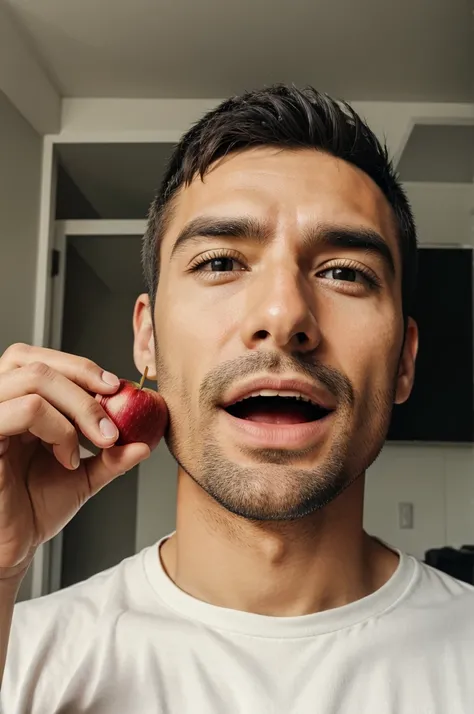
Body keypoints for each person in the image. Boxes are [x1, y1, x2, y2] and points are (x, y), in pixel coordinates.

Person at [0, 84, 473, 713]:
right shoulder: (21, 657)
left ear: (405, 360)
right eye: (221, 261)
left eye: (344, 273)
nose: (283, 315)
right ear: (148, 339)